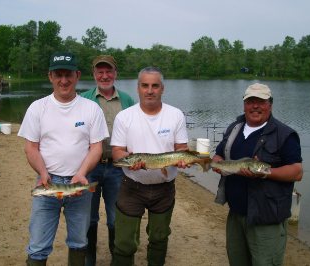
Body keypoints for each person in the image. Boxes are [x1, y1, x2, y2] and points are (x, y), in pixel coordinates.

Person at [18, 52, 109, 266]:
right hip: (47, 183)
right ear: (50, 76)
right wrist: (42, 173)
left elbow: (96, 148)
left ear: (77, 76)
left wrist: (82, 173)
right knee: (38, 244)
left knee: (79, 241)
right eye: (58, 75)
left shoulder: (91, 109)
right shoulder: (37, 108)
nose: (64, 80)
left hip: (80, 183)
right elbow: (31, 148)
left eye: (69, 75)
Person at [212, 83, 303, 266]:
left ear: (270, 104)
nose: (255, 106)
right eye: (250, 102)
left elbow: (297, 172)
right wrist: (218, 165)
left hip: (266, 217)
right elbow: (219, 154)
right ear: (244, 104)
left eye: (261, 102)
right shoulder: (234, 129)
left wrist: (263, 174)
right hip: (236, 213)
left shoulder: (284, 134)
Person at [110, 66, 190, 266]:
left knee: (159, 238)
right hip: (131, 188)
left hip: (164, 189)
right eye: (145, 85)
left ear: (162, 89)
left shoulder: (176, 115)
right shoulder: (125, 116)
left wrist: (184, 158)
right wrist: (127, 157)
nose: (150, 90)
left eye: (155, 86)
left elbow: (181, 148)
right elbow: (117, 152)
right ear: (138, 88)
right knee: (124, 242)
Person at [80, 55, 134, 266]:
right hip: (90, 167)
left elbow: (134, 131)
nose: (105, 76)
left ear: (115, 73)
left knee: (115, 217)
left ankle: (116, 259)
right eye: (100, 72)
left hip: (118, 168)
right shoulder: (83, 99)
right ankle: (89, 259)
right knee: (89, 218)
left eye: (108, 71)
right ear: (93, 75)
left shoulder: (127, 100)